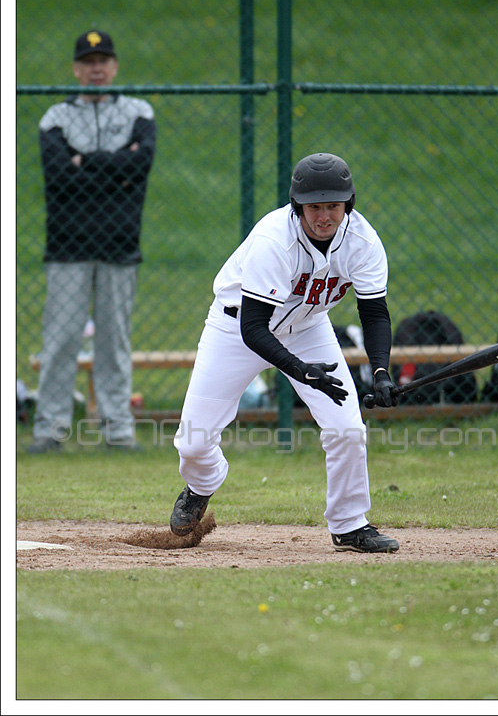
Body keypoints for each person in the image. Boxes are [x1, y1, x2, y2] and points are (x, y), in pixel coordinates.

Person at [170, 152, 400, 554]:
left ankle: (349, 525)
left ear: (348, 203)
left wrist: (380, 371)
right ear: (297, 206)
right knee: (193, 442)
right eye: (314, 207)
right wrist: (299, 370)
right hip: (235, 327)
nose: (324, 216)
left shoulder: (362, 241)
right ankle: (202, 483)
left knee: (347, 429)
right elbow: (254, 327)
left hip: (308, 329)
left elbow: (375, 314)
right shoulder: (274, 240)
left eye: (334, 205)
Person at [28, 30, 157, 453]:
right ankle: (50, 430)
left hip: (119, 246)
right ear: (76, 69)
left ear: (115, 66)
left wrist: (85, 161)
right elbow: (60, 177)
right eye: (88, 62)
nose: (96, 69)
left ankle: (118, 431)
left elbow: (140, 165)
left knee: (114, 342)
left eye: (103, 61)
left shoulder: (139, 113)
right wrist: (116, 168)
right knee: (61, 339)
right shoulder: (56, 118)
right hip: (69, 248)